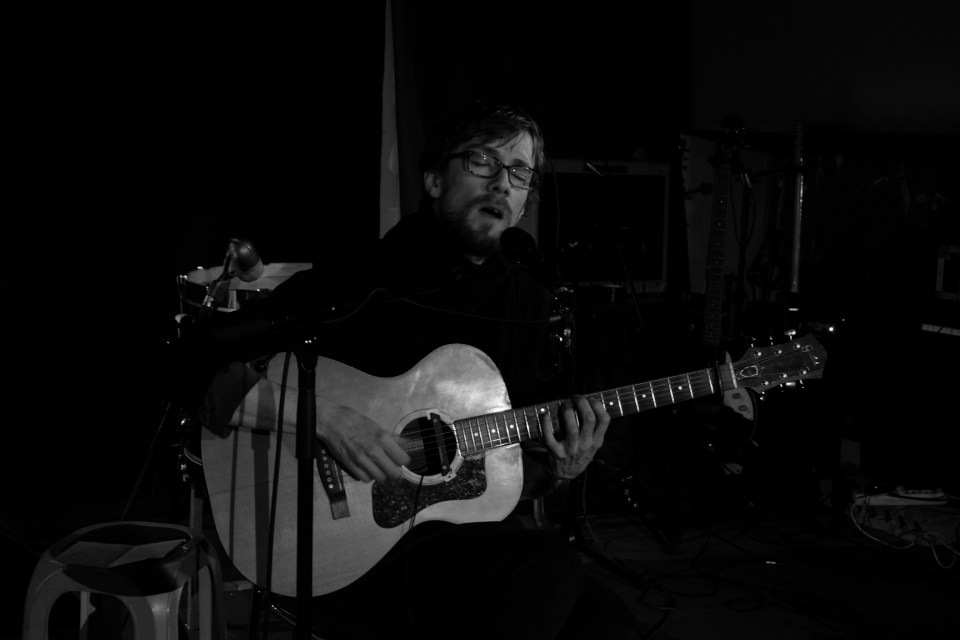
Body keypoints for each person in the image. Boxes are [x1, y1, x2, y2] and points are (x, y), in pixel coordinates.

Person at [198, 102, 640, 640]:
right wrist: (327, 420)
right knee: (547, 567)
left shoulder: (528, 299)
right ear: (433, 179)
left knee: (608, 623)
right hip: (340, 548)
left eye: (520, 172)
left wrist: (562, 468)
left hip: (452, 535)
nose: (502, 183)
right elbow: (195, 365)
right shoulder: (367, 277)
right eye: (482, 161)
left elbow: (496, 471)